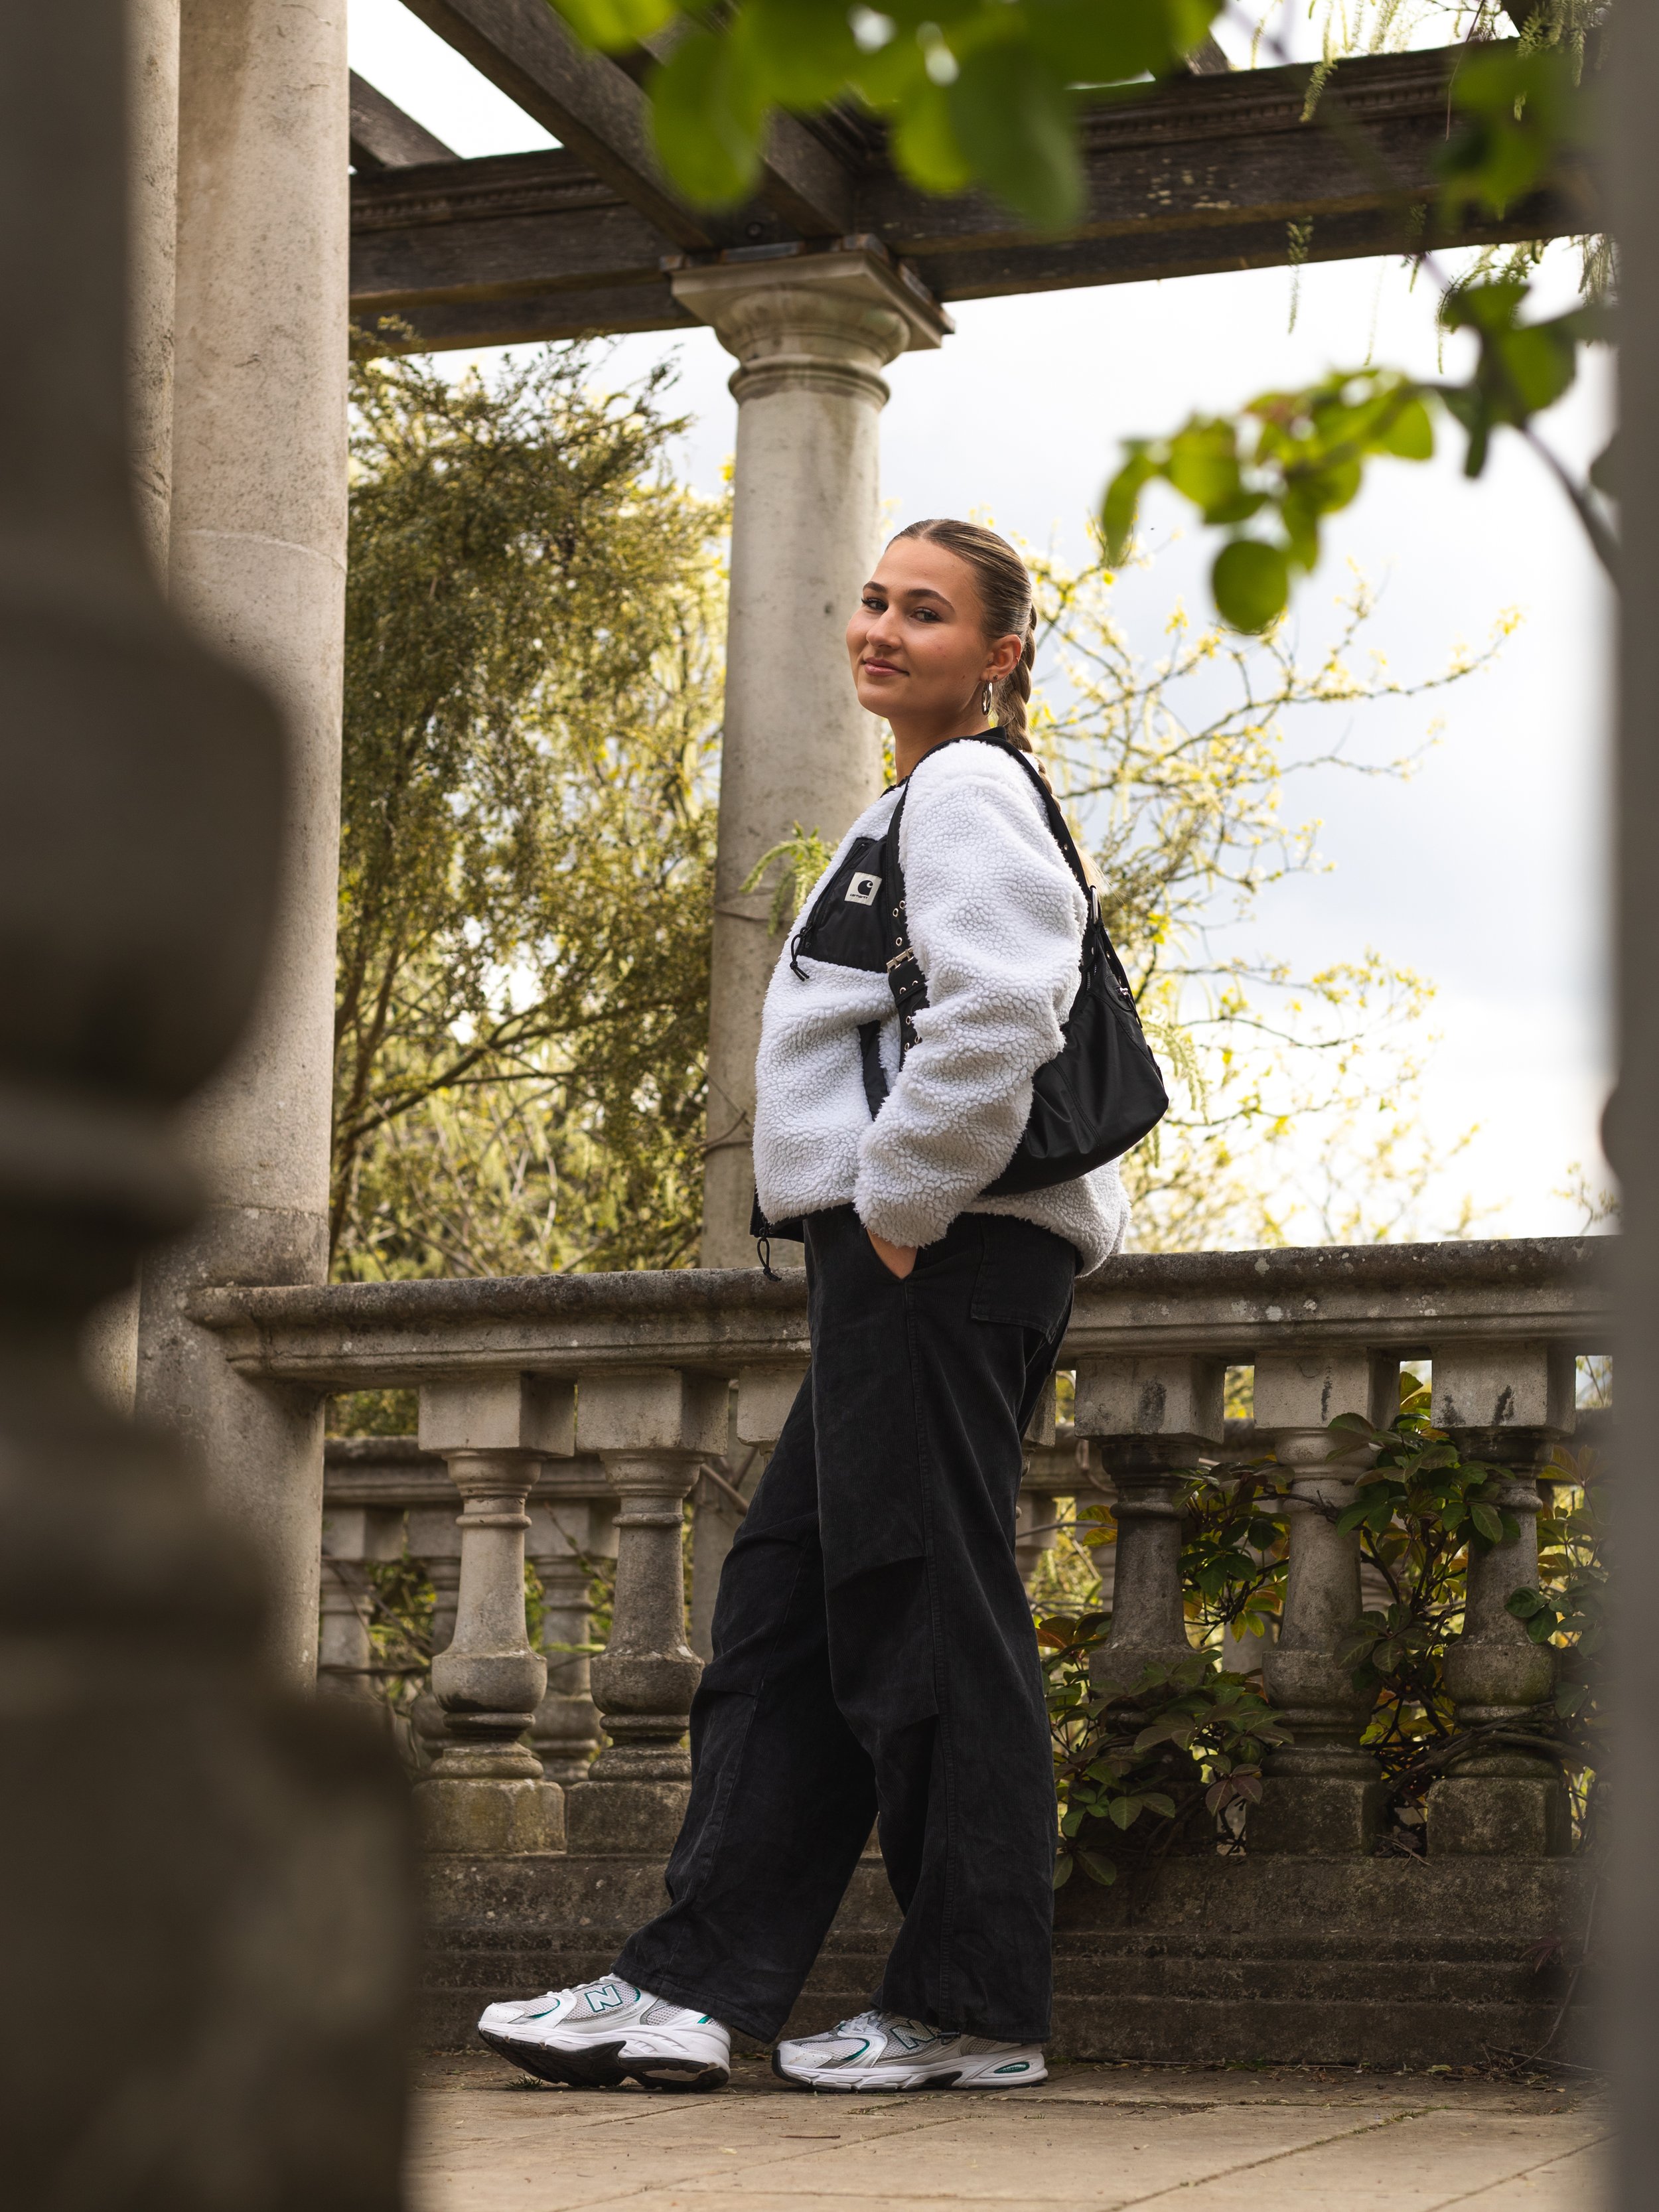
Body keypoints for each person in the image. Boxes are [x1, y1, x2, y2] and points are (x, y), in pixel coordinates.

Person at [476, 519, 1130, 2094]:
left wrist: (897, 1199)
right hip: (919, 1252)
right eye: (874, 600)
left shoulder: (965, 787)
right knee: (786, 1611)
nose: (881, 628)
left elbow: (1001, 1007)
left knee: (924, 1612)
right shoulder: (915, 797)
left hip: (940, 1250)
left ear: (998, 655)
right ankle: (690, 1987)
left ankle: (970, 2005)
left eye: (927, 612)